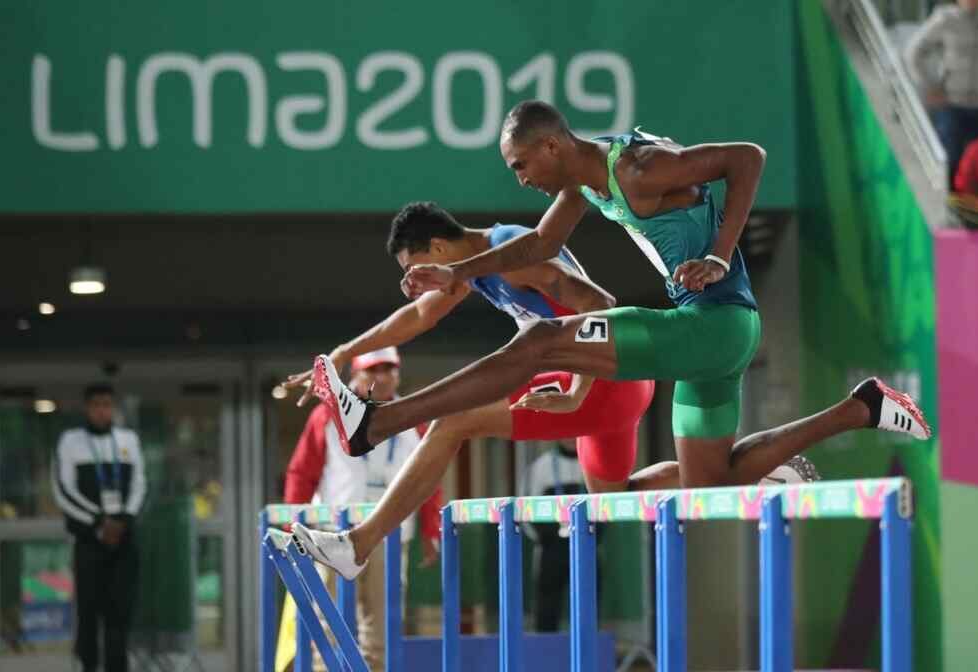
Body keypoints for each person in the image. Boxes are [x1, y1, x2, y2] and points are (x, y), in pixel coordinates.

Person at [287, 101, 927, 577]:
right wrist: (452, 274)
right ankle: (862, 408)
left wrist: (719, 253)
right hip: (714, 337)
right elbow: (541, 244)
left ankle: (380, 421)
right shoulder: (584, 182)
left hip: (712, 321)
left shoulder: (640, 167)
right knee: (708, 490)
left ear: (553, 145)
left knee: (538, 344)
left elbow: (747, 158)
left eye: (520, 165)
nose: (519, 180)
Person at [284, 347, 440, 671]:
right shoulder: (327, 415)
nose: (382, 377)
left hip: (391, 536)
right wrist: (292, 526)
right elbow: (302, 472)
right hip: (331, 534)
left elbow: (429, 477)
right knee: (329, 621)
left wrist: (430, 531)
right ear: (354, 374)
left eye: (389, 369)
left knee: (382, 625)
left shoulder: (412, 417)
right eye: (373, 369)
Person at [51, 384, 146, 672]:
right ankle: (88, 666)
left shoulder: (128, 439)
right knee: (89, 614)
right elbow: (62, 490)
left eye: (107, 404)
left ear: (113, 407)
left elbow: (141, 483)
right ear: (87, 408)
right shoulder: (71, 441)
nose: (102, 410)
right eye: (96, 405)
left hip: (123, 539)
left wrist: (124, 519)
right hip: (90, 540)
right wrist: (98, 521)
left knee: (120, 614)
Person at [905, 0, 978, 186]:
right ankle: (947, 209)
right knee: (949, 161)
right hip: (952, 106)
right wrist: (929, 86)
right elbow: (913, 53)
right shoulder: (944, 19)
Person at [521, 443, 591, 633]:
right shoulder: (541, 466)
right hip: (551, 549)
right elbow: (526, 511)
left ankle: (588, 656)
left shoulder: (592, 463)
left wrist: (593, 537)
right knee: (546, 609)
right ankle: (546, 658)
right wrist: (546, 539)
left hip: (587, 546)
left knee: (588, 605)